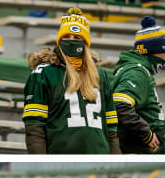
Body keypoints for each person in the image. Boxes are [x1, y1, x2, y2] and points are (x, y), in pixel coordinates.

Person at [22, 8, 120, 153]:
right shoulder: (44, 73)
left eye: (77, 37)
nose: (71, 41)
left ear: (85, 43)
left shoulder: (101, 75)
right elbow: (35, 127)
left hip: (99, 156)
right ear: (59, 40)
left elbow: (112, 129)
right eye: (66, 36)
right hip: (61, 157)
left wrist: (115, 163)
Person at [110, 17, 165, 153]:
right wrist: (146, 135)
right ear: (151, 50)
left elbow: (145, 114)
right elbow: (120, 104)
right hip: (139, 152)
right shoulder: (138, 72)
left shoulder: (135, 69)